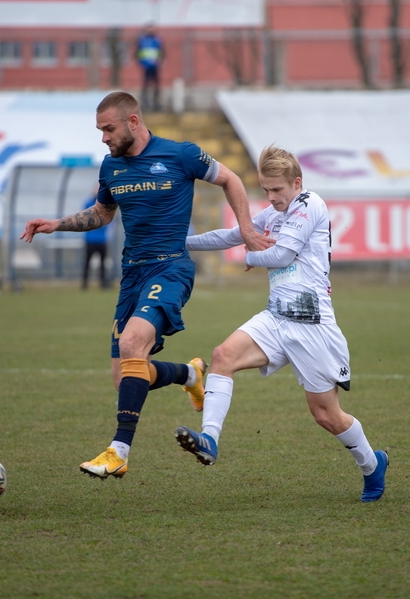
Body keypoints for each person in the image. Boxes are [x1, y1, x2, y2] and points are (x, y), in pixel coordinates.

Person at [20, 91, 271, 479]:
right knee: (125, 377)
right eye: (100, 130)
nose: (103, 137)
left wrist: (248, 230)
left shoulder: (181, 154)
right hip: (132, 275)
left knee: (132, 344)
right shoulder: (111, 167)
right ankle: (189, 375)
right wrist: (58, 223)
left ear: (133, 122)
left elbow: (232, 180)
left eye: (108, 128)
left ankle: (118, 452)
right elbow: (103, 213)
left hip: (170, 269)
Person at [173, 145, 388, 503]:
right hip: (276, 317)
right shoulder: (274, 215)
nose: (271, 198)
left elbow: (282, 254)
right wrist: (178, 244)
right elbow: (231, 235)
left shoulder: (310, 204)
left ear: (297, 183)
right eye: (266, 190)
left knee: (326, 415)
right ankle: (209, 438)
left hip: (312, 322)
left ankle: (372, 464)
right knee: (223, 356)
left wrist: (252, 255)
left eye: (277, 190)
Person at [80, 196, 112, 290]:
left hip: (102, 239)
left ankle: (103, 283)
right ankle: (85, 283)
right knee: (87, 263)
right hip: (90, 239)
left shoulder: (106, 205)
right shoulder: (89, 204)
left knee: (103, 263)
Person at [136, 25, 163, 112]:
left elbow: (160, 53)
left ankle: (156, 104)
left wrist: (159, 61)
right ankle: (145, 104)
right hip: (146, 67)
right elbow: (139, 53)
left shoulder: (157, 40)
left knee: (156, 86)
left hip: (155, 67)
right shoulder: (142, 40)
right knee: (145, 86)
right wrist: (142, 63)